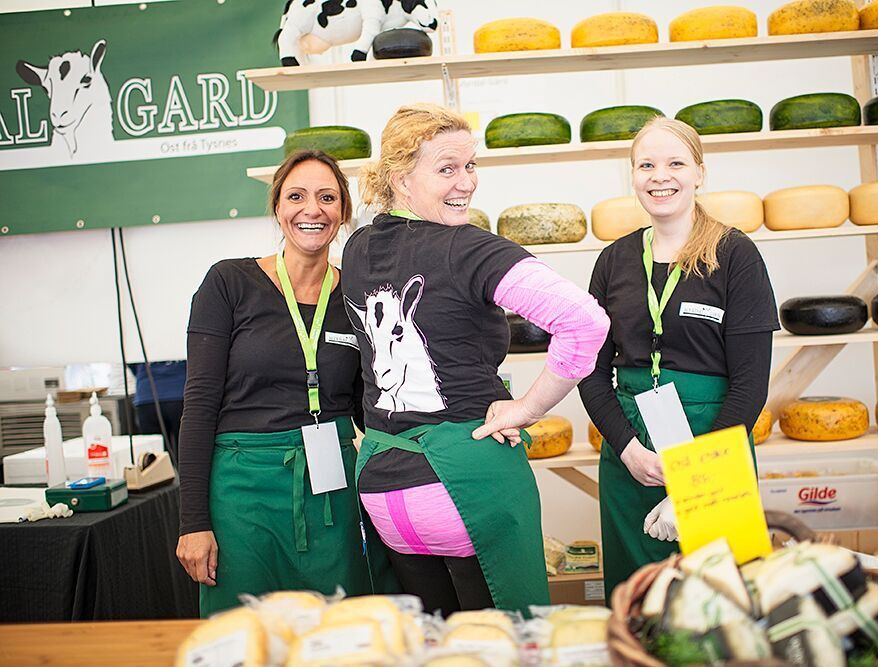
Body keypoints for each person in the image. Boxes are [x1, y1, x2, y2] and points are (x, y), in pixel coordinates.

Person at [341, 103, 609, 616]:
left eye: (470, 165)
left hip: (382, 488)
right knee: (502, 642)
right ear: (400, 179)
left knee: (433, 645)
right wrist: (525, 409)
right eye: (446, 169)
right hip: (460, 485)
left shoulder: (356, 248)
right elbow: (586, 322)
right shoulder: (467, 247)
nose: (466, 182)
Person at [175, 150, 395, 616]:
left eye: (327, 198)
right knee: (245, 633)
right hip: (242, 493)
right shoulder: (228, 283)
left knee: (340, 628)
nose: (312, 209)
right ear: (278, 207)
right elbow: (198, 405)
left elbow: (368, 404)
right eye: (296, 196)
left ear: (342, 214)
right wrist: (193, 521)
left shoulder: (357, 297)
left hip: (331, 485)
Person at [578, 117, 778, 602]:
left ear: (699, 173)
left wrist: (699, 481)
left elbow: (751, 385)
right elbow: (589, 369)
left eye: (675, 163)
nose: (659, 176)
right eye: (646, 165)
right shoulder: (613, 260)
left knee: (723, 602)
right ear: (633, 175)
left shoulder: (735, 255)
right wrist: (627, 448)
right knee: (637, 603)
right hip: (632, 447)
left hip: (714, 440)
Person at [128, 360, 185, 465]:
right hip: (178, 391)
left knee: (154, 459)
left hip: (147, 394)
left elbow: (132, 361)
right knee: (185, 452)